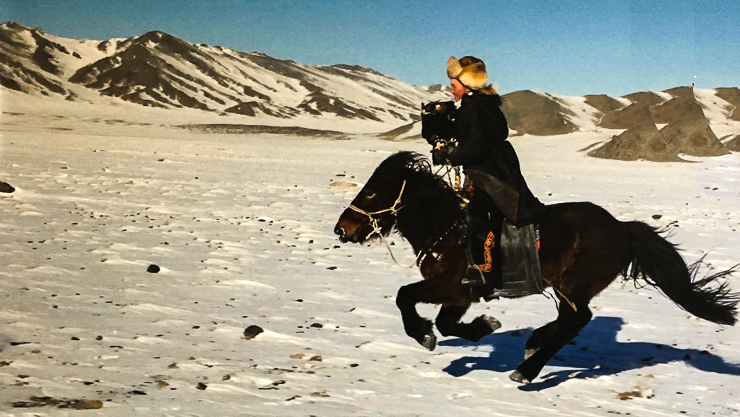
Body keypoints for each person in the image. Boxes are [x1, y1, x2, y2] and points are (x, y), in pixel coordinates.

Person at [432, 56, 545, 296]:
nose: (451, 90)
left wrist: (450, 156)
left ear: (466, 84)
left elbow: (476, 147)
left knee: (476, 213)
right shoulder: (479, 106)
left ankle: (484, 269)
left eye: (453, 85)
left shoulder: (478, 109)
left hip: (492, 173)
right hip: (488, 169)